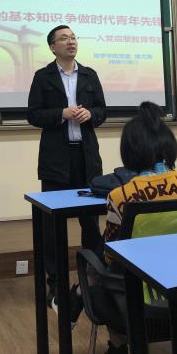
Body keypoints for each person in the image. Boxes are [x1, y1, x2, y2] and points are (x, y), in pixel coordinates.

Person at [87, 101, 177, 354]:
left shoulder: (120, 196)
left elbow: (111, 255)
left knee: (95, 265)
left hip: (138, 299)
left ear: (129, 151)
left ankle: (118, 342)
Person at [27, 24, 107, 315]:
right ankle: (56, 286)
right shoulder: (43, 76)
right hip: (56, 161)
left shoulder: (89, 74)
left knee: (91, 224)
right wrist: (61, 114)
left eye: (73, 37)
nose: (70, 41)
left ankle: (93, 280)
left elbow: (102, 111)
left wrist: (91, 114)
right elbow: (33, 115)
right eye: (64, 38)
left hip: (87, 159)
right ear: (52, 47)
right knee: (53, 228)